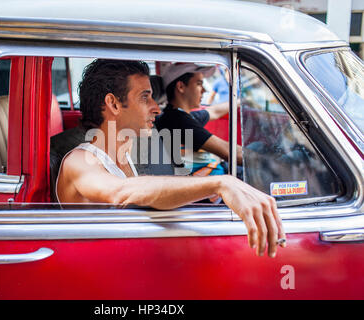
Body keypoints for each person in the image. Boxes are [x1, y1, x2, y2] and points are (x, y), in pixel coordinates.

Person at [56, 59, 286, 258]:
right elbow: (120, 192)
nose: (157, 108)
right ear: (113, 104)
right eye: (145, 98)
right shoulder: (80, 161)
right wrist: (221, 183)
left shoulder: (128, 152)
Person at [154, 63, 242, 177]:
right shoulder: (177, 121)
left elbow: (214, 111)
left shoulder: (180, 115)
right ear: (181, 87)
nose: (204, 90)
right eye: (199, 84)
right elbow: (231, 153)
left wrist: (240, 102)